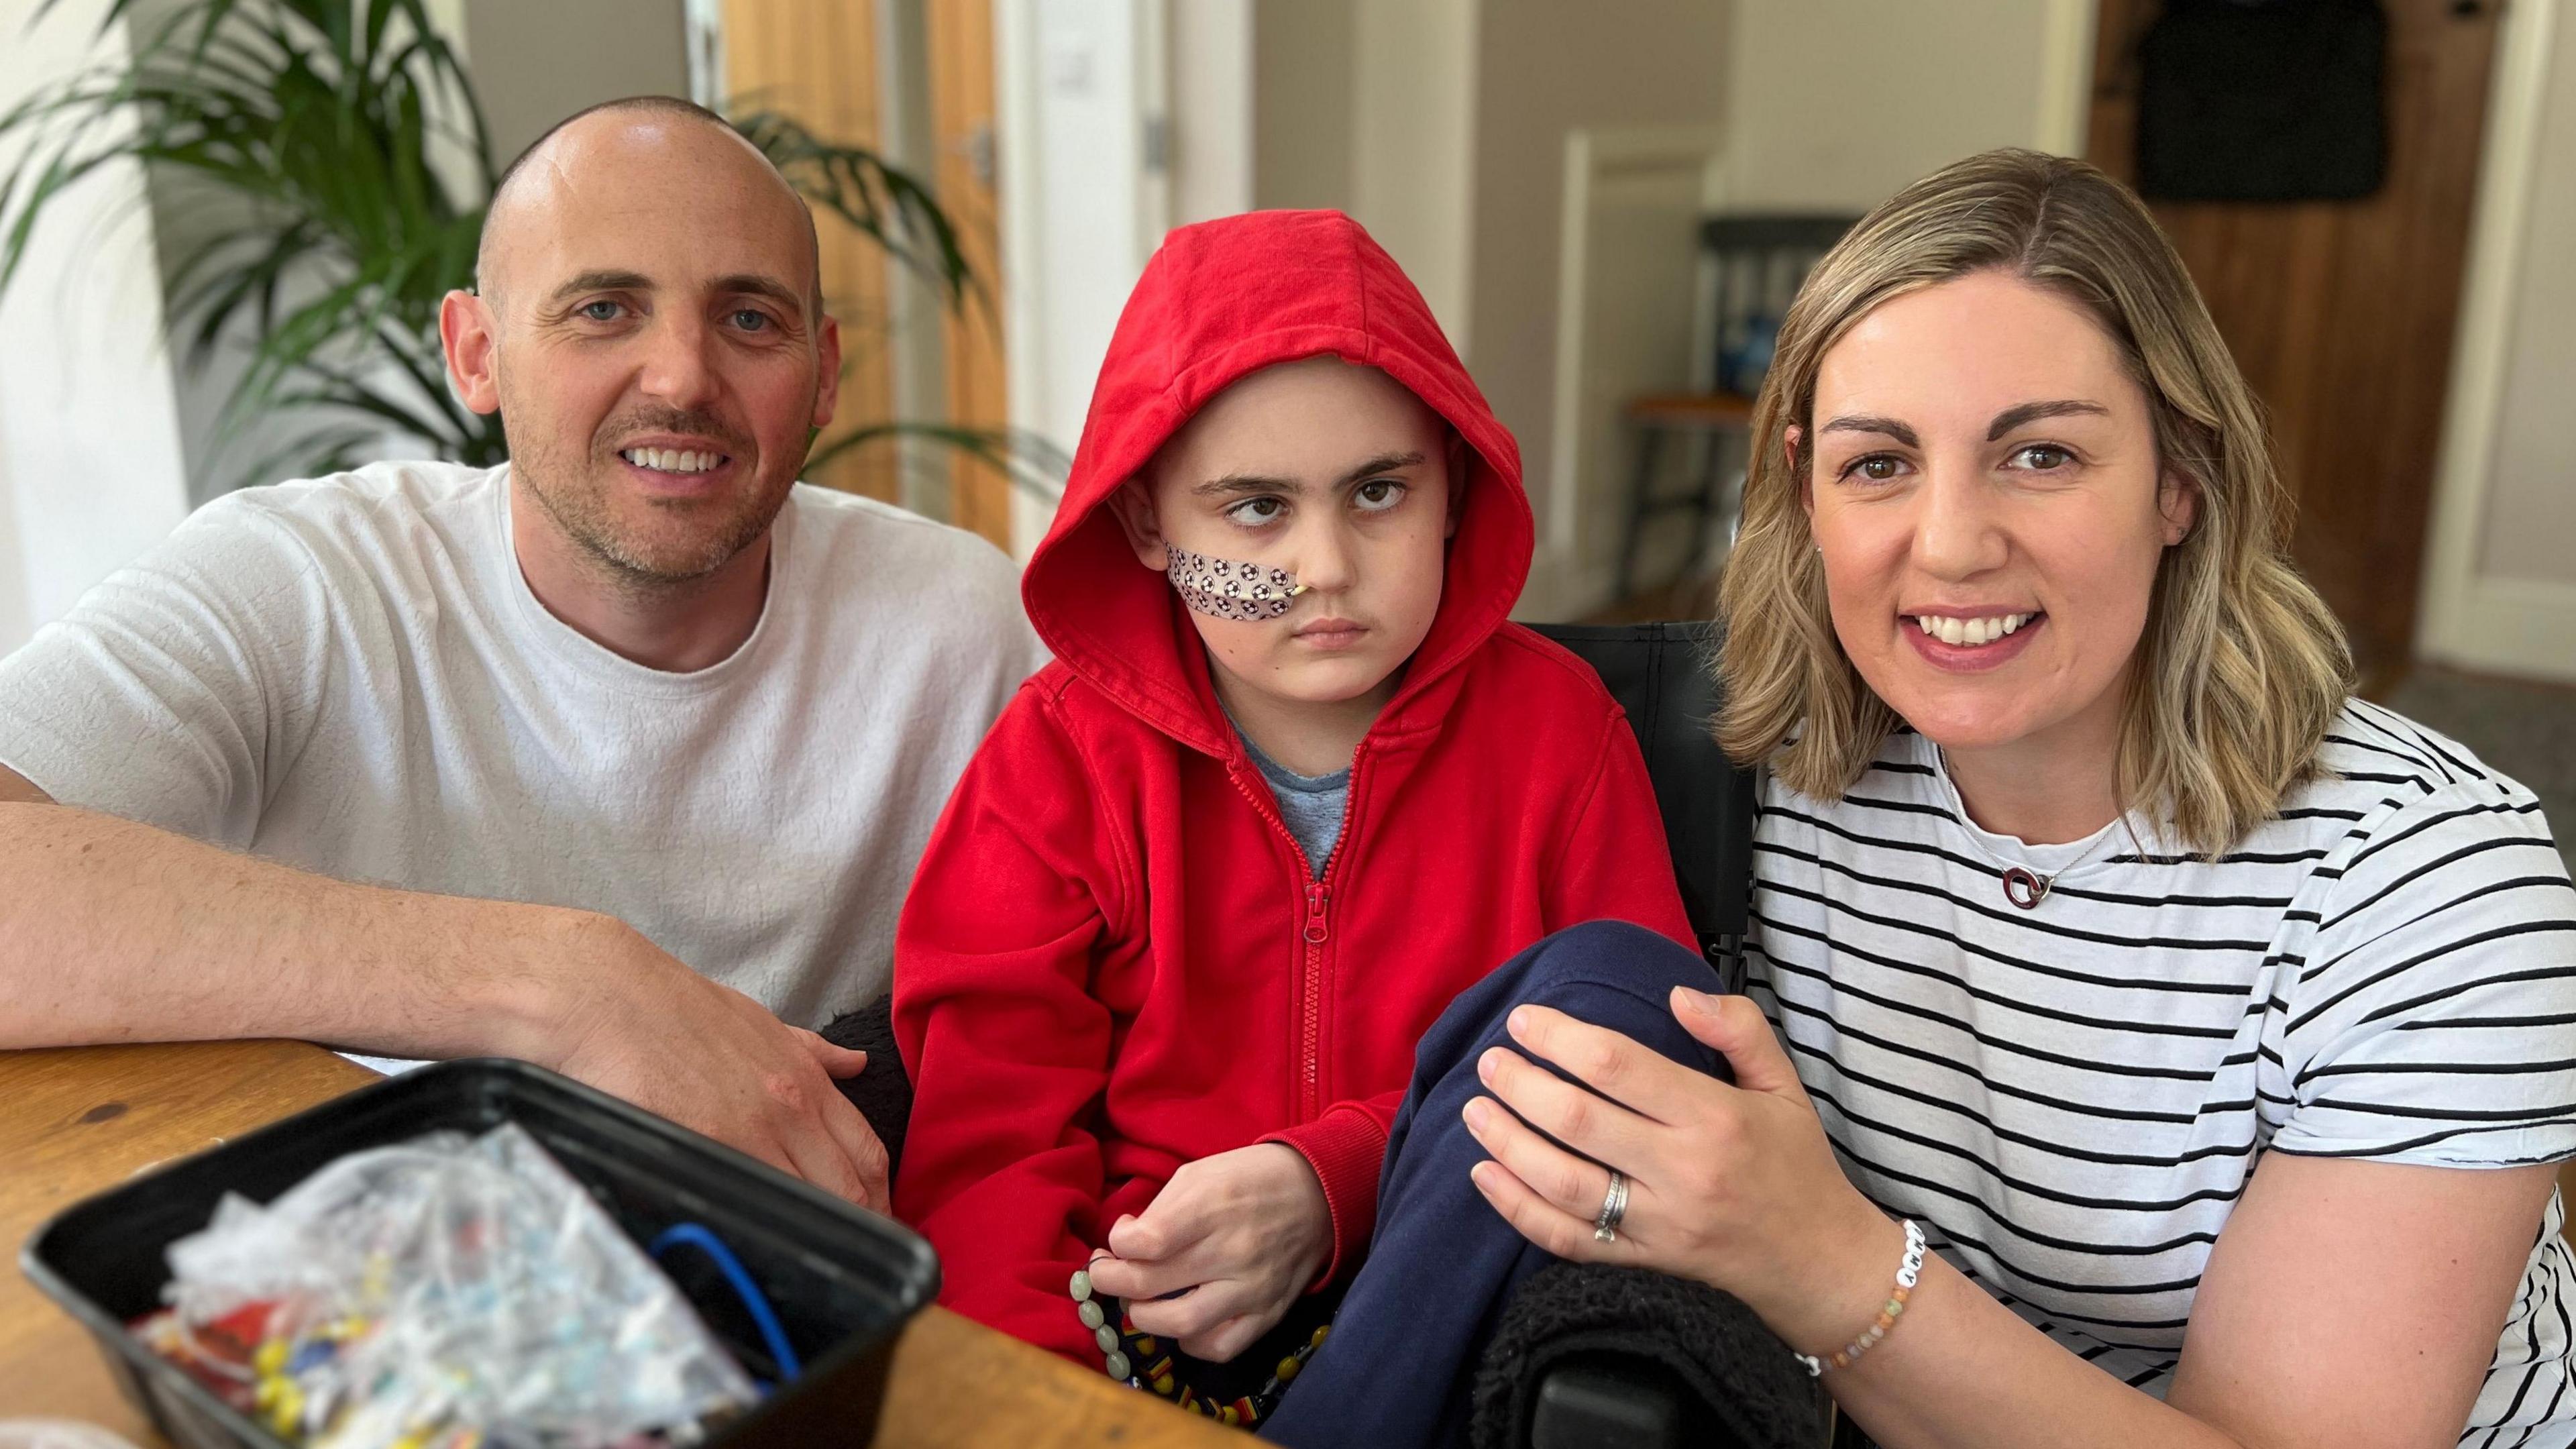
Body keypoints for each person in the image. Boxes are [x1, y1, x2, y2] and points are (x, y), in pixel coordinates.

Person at [1448, 150, 2576, 1446]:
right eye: (1879, 465)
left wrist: (1820, 1260)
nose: (1950, 544)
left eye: (2039, 454)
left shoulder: (2427, 887)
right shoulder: (1749, 780)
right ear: (1806, 490)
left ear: (2179, 482)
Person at [0, 97, 1044, 1214]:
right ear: (477, 353)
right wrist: (566, 986)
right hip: (378, 1284)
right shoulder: (303, 581)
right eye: (604, 309)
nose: (683, 378)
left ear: (824, 373)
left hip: (813, 1287)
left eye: (749, 320)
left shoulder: (964, 623)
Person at [888, 209, 1696, 1429]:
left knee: (1614, 989)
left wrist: (1343, 1179)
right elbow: (987, 1158)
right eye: (1256, 510)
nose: (1325, 565)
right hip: (1139, 1335)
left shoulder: (1559, 732)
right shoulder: (1056, 760)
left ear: (1453, 492)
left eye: (1378, 492)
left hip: (1465, 1309)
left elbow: (1643, 1074)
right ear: (1153, 527)